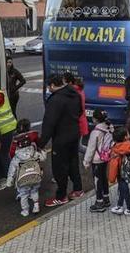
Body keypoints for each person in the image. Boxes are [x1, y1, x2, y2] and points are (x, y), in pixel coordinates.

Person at [40, 74, 83, 207]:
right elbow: (80, 111)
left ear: (52, 85)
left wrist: (41, 143)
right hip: (74, 134)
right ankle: (77, 189)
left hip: (61, 138)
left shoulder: (55, 100)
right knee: (73, 162)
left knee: (59, 168)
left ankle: (61, 196)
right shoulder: (74, 94)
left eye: (49, 87)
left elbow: (49, 123)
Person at [6, 132, 46, 217]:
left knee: (24, 195)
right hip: (35, 177)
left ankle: (25, 210)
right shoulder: (34, 153)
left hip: (22, 180)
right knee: (34, 191)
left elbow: (12, 170)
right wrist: (41, 151)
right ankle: (36, 206)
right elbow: (43, 158)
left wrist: (9, 181)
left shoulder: (16, 157)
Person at [83, 109, 114, 213]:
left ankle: (99, 202)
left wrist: (86, 162)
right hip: (106, 157)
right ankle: (106, 198)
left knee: (97, 180)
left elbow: (90, 149)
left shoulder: (95, 132)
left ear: (95, 119)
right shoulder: (110, 127)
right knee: (104, 178)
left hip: (97, 160)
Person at [108, 127, 130, 216]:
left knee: (123, 188)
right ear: (125, 137)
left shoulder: (115, 149)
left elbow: (113, 166)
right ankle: (120, 205)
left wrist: (111, 179)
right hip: (129, 170)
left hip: (120, 172)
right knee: (122, 188)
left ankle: (129, 208)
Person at [64, 72, 89, 142]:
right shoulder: (80, 91)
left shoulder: (73, 93)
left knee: (74, 146)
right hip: (81, 122)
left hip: (76, 124)